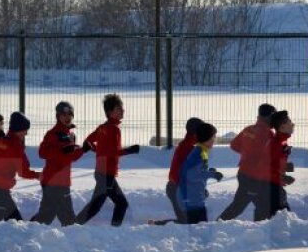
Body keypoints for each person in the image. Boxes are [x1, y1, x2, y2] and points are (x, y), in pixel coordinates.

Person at [76, 93, 140, 226]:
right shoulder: (114, 129)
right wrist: (130, 150)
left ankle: (74, 225)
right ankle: (113, 230)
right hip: (107, 174)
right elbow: (112, 152)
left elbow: (88, 141)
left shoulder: (103, 127)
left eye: (122, 108)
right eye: (119, 109)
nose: (122, 110)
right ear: (110, 112)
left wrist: (96, 149)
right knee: (120, 204)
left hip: (101, 172)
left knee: (96, 206)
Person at [218, 102, 277, 221]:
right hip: (254, 177)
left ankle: (260, 229)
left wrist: (247, 153)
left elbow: (234, 145)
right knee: (239, 206)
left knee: (263, 205)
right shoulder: (268, 134)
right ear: (268, 117)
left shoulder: (248, 130)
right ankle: (218, 224)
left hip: (245, 173)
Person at [31, 101, 87, 226]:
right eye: (63, 115)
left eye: (69, 115)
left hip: (61, 181)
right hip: (53, 181)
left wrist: (83, 149)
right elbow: (42, 153)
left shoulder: (71, 135)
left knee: (46, 216)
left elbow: (71, 157)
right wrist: (61, 150)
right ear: (58, 116)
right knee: (67, 219)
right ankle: (27, 232)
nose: (67, 118)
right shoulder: (52, 134)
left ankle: (28, 231)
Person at [0, 111, 39, 222]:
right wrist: (38, 175)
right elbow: (23, 172)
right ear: (18, 129)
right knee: (16, 223)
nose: (26, 133)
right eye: (25, 130)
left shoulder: (0, 141)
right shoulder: (15, 147)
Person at [149, 116, 204, 225]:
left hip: (178, 188)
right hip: (176, 189)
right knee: (185, 221)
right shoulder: (187, 147)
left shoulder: (190, 145)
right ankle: (155, 226)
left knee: (190, 220)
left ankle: (156, 225)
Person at [175, 121, 224, 224]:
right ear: (206, 138)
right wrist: (212, 174)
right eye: (213, 137)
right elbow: (192, 174)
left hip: (194, 197)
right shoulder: (199, 152)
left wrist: (209, 173)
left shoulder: (202, 150)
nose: (214, 140)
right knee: (198, 228)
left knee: (199, 227)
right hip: (190, 199)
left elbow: (198, 171)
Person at [265, 110, 295, 219]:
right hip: (271, 187)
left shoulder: (281, 142)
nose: (293, 124)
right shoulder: (276, 144)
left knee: (283, 217)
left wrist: (285, 166)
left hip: (275, 185)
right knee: (281, 218)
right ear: (282, 127)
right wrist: (282, 176)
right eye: (289, 122)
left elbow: (274, 163)